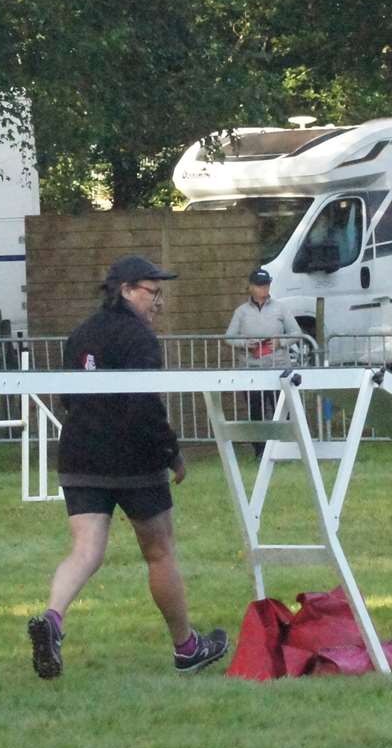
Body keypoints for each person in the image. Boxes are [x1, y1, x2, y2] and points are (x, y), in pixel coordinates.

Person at [28, 254, 229, 680]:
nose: (159, 302)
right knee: (159, 552)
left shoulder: (81, 333)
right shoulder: (139, 339)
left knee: (85, 551)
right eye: (152, 292)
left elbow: (69, 397)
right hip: (131, 458)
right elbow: (143, 405)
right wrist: (170, 452)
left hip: (80, 453)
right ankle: (186, 648)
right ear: (125, 290)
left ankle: (53, 619)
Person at [224, 267, 303, 451]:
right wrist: (245, 344)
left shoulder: (281, 308)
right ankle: (260, 450)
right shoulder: (241, 312)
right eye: (260, 286)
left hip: (278, 368)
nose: (264, 289)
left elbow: (296, 332)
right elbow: (229, 337)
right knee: (256, 411)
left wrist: (280, 342)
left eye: (266, 285)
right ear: (251, 287)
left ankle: (288, 448)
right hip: (251, 369)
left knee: (283, 409)